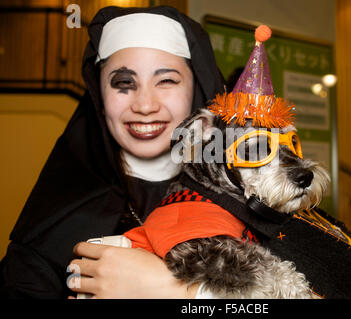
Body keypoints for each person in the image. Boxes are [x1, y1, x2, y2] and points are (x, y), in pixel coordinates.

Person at [0, 5, 225, 299]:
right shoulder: (54, 219)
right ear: (100, 96)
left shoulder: (252, 196)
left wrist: (184, 293)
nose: (145, 105)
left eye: (167, 80)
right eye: (123, 83)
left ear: (196, 90)